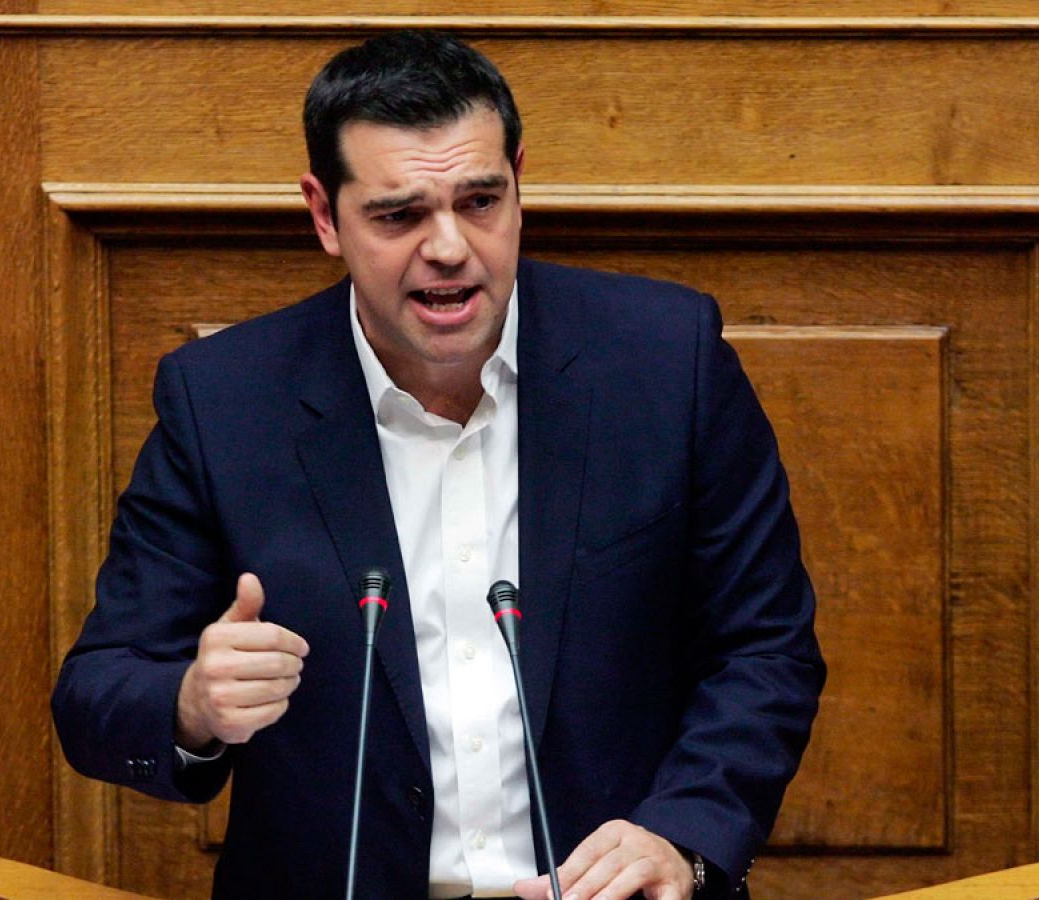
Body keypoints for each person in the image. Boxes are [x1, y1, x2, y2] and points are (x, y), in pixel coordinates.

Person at [53, 30, 824, 900]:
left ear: (519, 186)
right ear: (323, 215)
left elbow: (766, 647)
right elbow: (96, 692)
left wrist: (680, 835)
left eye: (480, 201)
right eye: (400, 214)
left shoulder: (663, 360)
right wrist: (193, 704)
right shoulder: (226, 401)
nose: (450, 246)